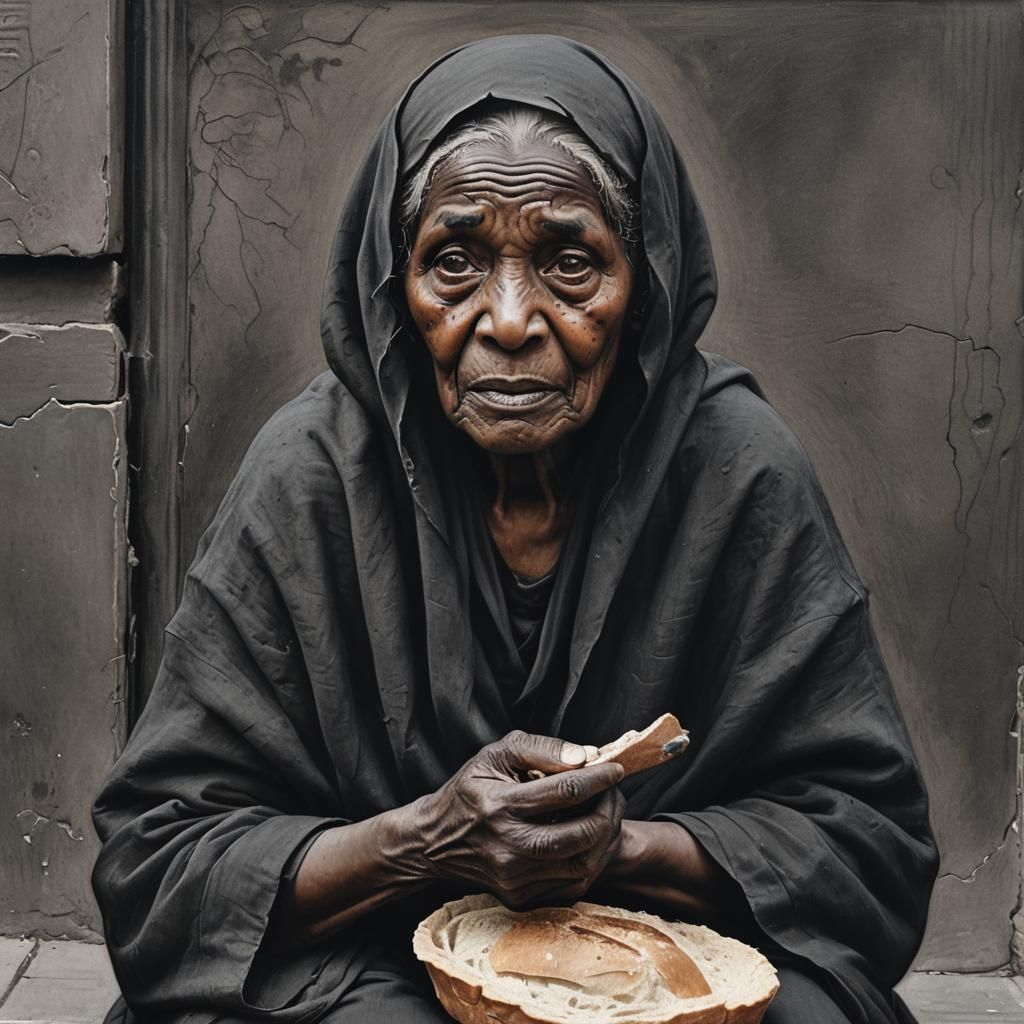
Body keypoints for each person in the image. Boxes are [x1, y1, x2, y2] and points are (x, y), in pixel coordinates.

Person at [92, 35, 938, 1024]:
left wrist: (626, 848)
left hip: (655, 954)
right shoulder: (311, 478)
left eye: (570, 261)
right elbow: (158, 865)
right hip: (381, 960)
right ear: (395, 289)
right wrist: (424, 841)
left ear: (644, 284)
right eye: (452, 261)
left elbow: (869, 851)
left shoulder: (735, 469)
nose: (507, 318)